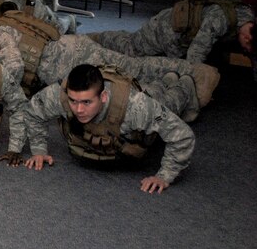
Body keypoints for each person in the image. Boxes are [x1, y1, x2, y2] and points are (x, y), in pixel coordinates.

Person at [0, 13, 219, 110]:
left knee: (133, 69)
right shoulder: (4, 22)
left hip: (77, 58)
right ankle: (183, 80)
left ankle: (196, 72)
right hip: (73, 52)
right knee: (129, 73)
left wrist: (0, 97)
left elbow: (13, 66)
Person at [23, 64, 196, 194]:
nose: (78, 110)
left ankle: (184, 84)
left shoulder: (136, 107)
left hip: (141, 105)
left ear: (103, 96)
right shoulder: (59, 95)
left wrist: (164, 176)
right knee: (153, 91)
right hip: (137, 101)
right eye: (73, 101)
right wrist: (39, 149)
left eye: (87, 102)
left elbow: (182, 135)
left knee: (168, 101)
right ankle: (167, 78)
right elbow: (32, 112)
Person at [86, 0, 257, 66]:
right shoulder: (220, 20)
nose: (246, 52)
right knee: (130, 49)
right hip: (166, 29)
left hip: (183, 36)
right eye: (247, 49)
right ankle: (93, 38)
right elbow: (196, 54)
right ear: (247, 37)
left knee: (140, 48)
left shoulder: (255, 22)